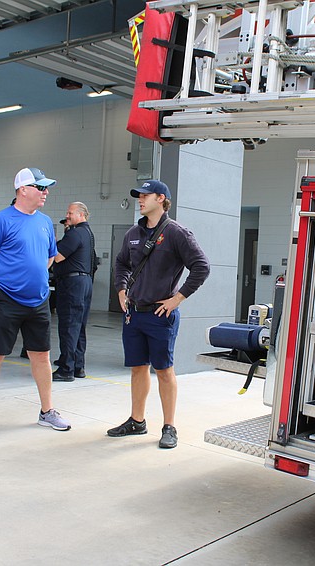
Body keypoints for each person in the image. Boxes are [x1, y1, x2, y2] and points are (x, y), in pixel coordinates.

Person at [0, 167, 71, 442]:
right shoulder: (1, 220)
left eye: (46, 187)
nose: (45, 192)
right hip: (6, 300)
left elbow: (49, 258)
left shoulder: (45, 222)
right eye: (40, 187)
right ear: (23, 190)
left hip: (38, 301)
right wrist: (2, 281)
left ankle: (47, 411)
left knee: (41, 356)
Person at [108, 180, 210, 449]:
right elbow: (121, 263)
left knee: (164, 371)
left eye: (145, 195)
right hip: (134, 314)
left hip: (160, 315)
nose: (140, 200)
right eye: (138, 196)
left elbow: (201, 266)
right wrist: (121, 289)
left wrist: (178, 299)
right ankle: (137, 421)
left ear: (161, 199)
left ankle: (169, 426)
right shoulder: (133, 232)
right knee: (137, 368)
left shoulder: (176, 233)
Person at [52, 202, 96, 381]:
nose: (67, 216)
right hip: (84, 282)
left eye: (70, 213)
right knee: (79, 326)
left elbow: (57, 256)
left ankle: (66, 369)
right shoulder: (88, 234)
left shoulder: (75, 233)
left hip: (72, 284)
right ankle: (78, 365)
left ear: (81, 214)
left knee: (69, 325)